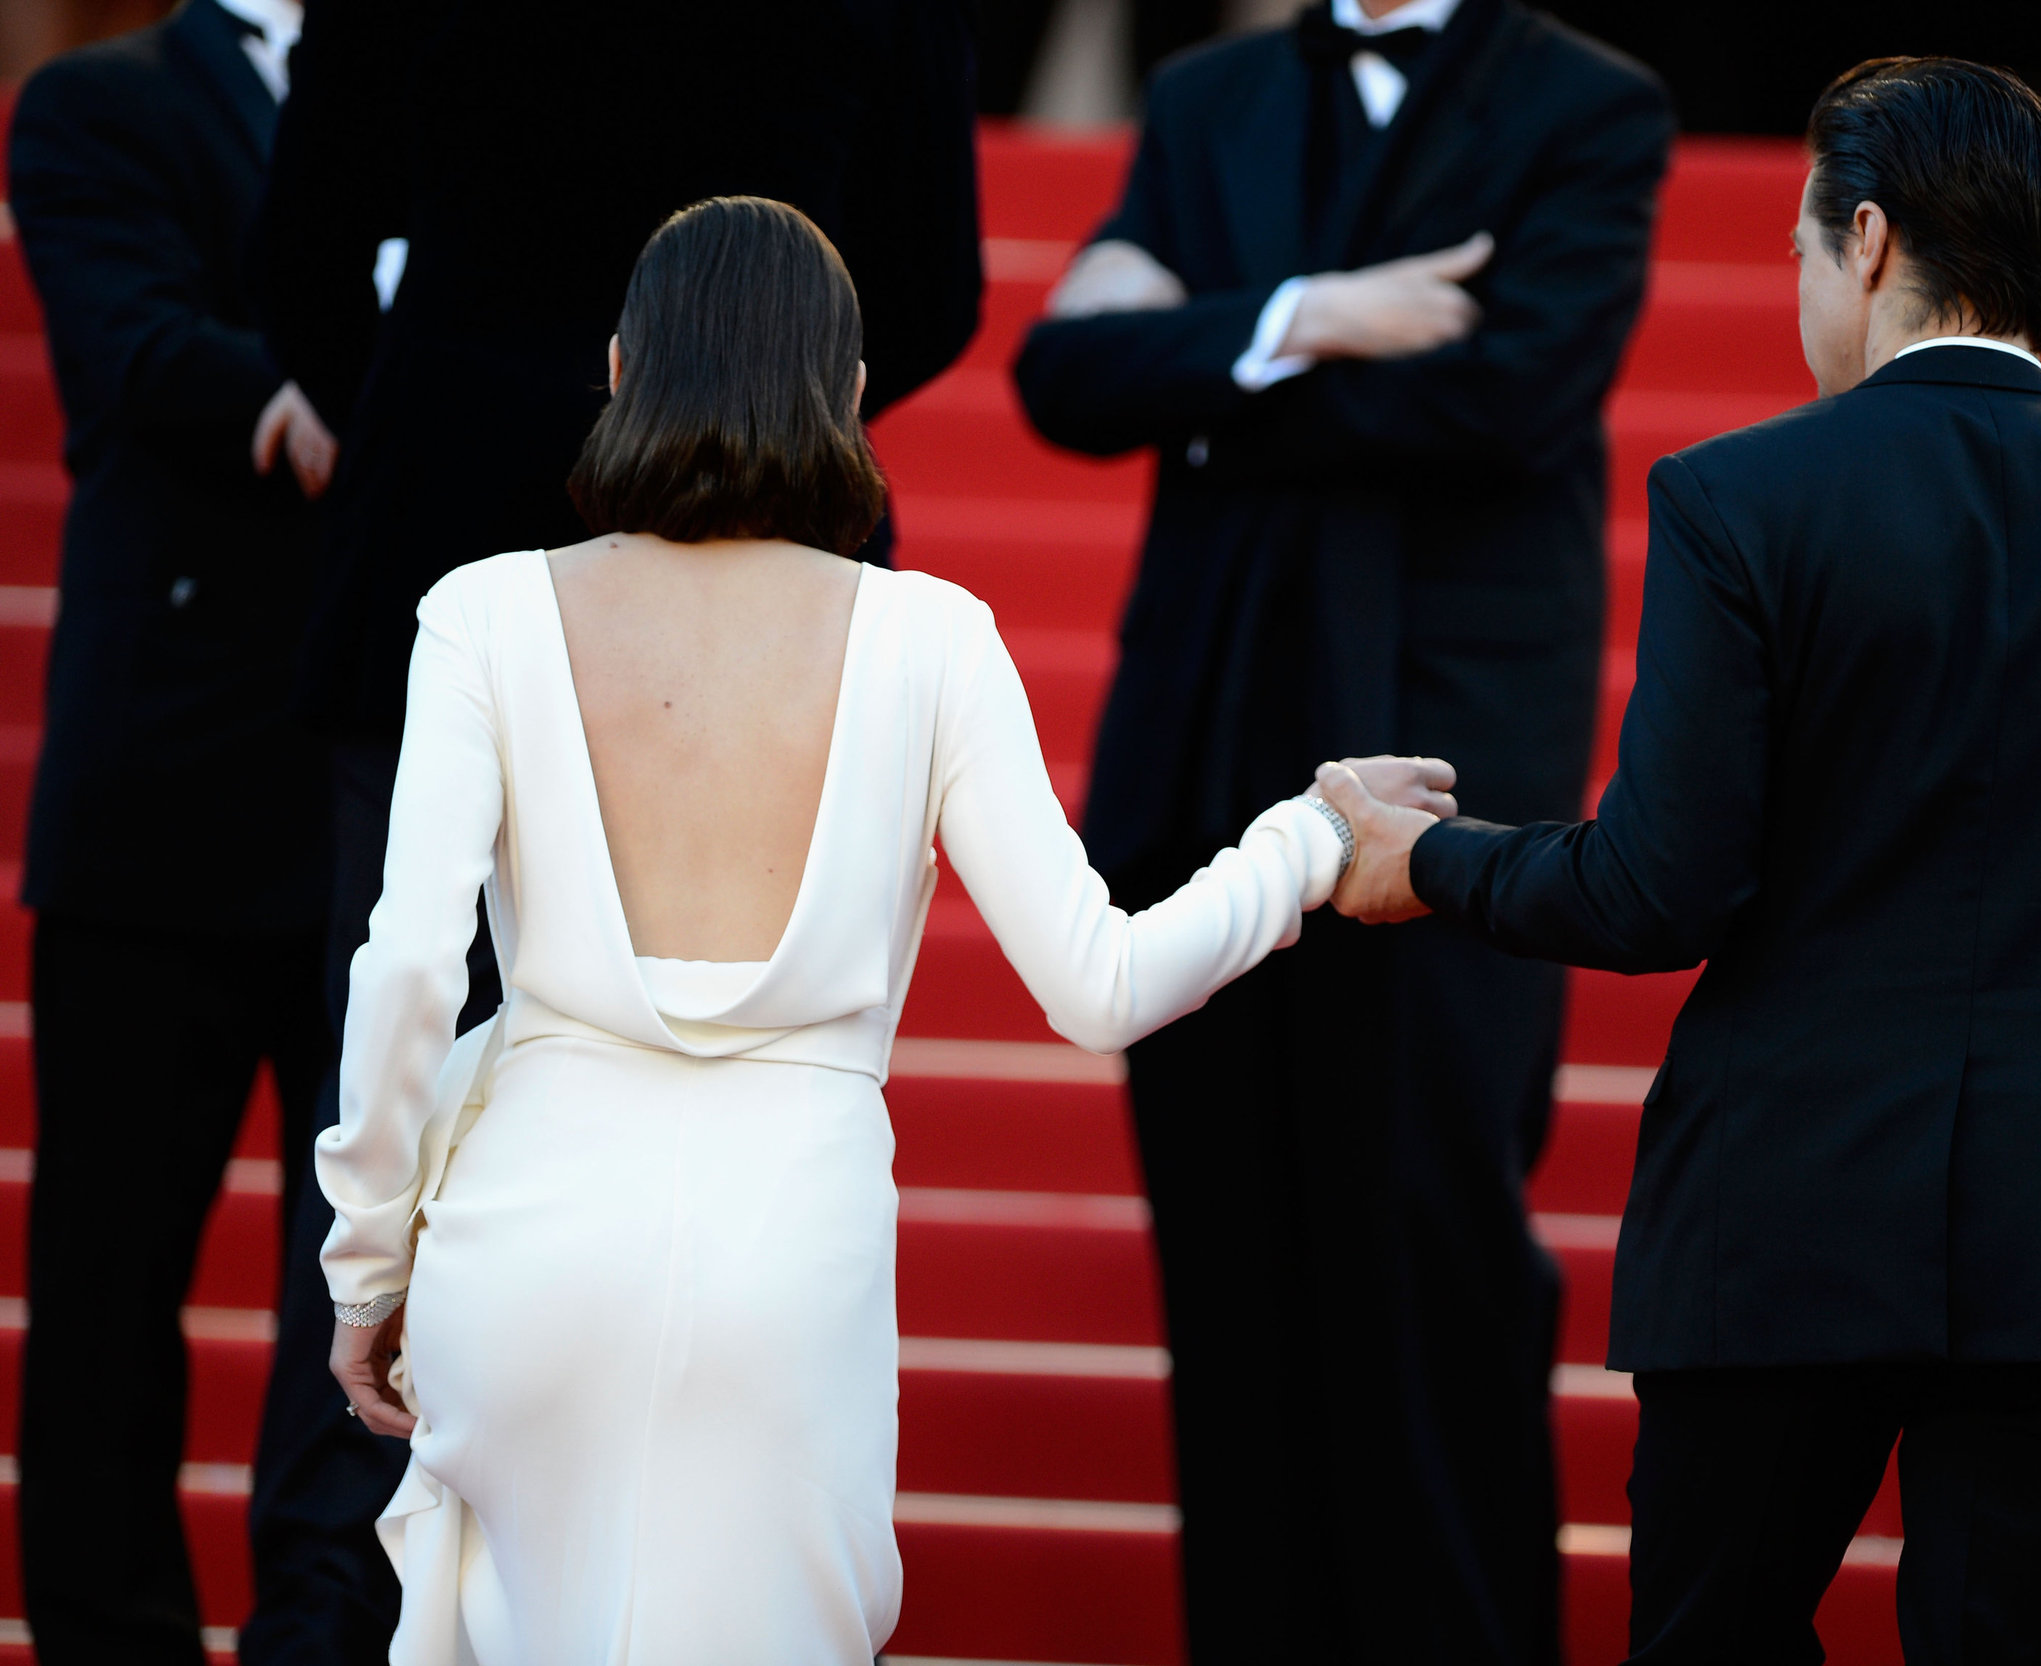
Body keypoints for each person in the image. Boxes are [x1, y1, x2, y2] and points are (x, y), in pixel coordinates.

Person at [1315, 57, 2041, 1665]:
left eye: (1796, 251)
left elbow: (1659, 888)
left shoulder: (1743, 501)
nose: (1798, 286)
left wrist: (1429, 865)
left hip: (1775, 1241)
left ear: (1864, 238)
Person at [312, 194, 1447, 1666]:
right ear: (848, 397)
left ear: (616, 369)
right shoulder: (932, 639)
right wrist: (1305, 839)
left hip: (528, 1234)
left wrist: (365, 1263)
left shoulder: (483, 614)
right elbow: (1100, 981)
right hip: (792, 1244)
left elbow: (405, 961)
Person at [243, 7, 985, 1657]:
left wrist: (454, 392)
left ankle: (328, 1604)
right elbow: (930, 288)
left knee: (387, 1066)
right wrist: (758, 430)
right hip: (777, 596)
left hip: (438, 504)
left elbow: (299, 243)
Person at [1011, 3, 1671, 1658]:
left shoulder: (1590, 104)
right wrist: (1328, 315)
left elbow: (1516, 390)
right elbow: (1064, 376)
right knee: (1227, 1258)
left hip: (1454, 759)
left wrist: (1220, 359)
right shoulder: (1210, 93)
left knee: (1427, 1231)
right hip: (1206, 745)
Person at [5, 2, 336, 1658]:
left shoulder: (429, 85)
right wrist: (302, 407)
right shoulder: (99, 102)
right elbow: (128, 347)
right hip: (163, 808)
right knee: (110, 1286)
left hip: (376, 800)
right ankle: (105, 1631)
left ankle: (325, 1627)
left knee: (359, 1289)